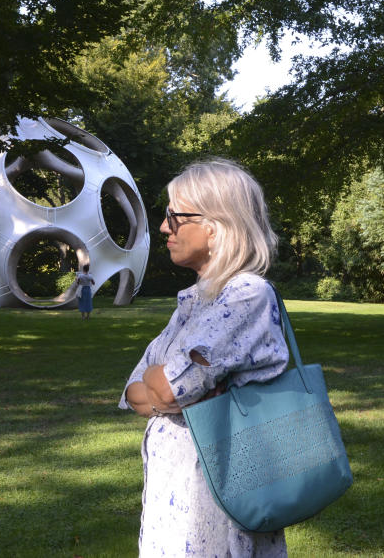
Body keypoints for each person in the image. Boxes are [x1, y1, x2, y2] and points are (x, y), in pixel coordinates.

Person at [119, 158, 290, 557]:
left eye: (173, 217)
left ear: (215, 226)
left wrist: (168, 391)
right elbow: (135, 392)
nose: (164, 228)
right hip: (176, 500)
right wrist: (174, 392)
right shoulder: (193, 302)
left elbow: (164, 391)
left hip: (217, 502)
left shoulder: (245, 294)